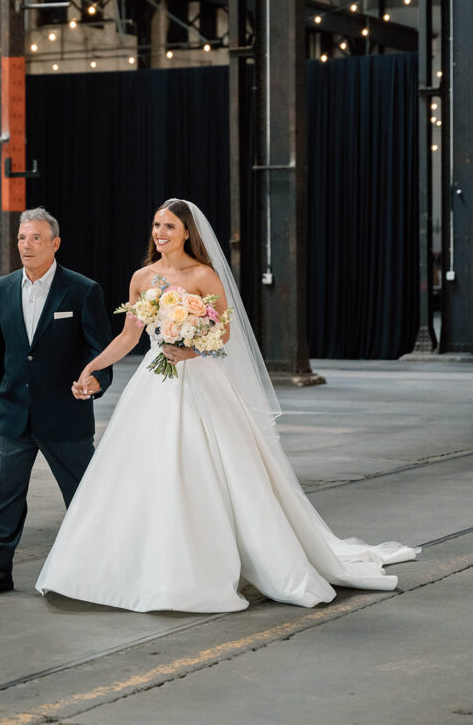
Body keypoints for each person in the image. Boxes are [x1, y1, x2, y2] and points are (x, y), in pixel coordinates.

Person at [36, 198, 418, 613]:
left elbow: (224, 335)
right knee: (143, 468)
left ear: (186, 233)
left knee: (212, 468)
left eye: (168, 226)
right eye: (156, 225)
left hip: (199, 380)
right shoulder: (142, 278)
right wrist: (91, 366)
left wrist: (192, 351)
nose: (160, 233)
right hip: (154, 380)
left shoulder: (203, 275)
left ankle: (209, 566)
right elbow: (129, 337)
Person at [0, 207, 112, 596]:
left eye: (35, 238)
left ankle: (100, 570)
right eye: (21, 238)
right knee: (5, 498)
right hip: (14, 413)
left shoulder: (82, 290)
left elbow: (102, 354)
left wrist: (94, 383)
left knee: (85, 497)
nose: (26, 245)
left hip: (65, 416)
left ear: (55, 243)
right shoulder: (3, 287)